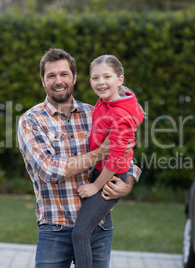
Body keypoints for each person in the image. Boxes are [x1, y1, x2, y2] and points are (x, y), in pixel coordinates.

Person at [17, 48, 141, 268]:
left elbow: (126, 158)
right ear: (42, 80)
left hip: (98, 229)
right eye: (51, 75)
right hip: (55, 229)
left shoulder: (95, 113)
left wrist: (127, 184)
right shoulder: (31, 120)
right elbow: (49, 169)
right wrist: (100, 153)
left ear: (74, 77)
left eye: (64, 74)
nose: (58, 81)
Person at [71, 55, 144, 268]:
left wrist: (95, 185)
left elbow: (116, 160)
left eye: (107, 77)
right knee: (86, 232)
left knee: (80, 233)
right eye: (95, 78)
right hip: (101, 170)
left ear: (119, 79)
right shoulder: (105, 101)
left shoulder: (121, 115)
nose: (100, 82)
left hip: (110, 179)